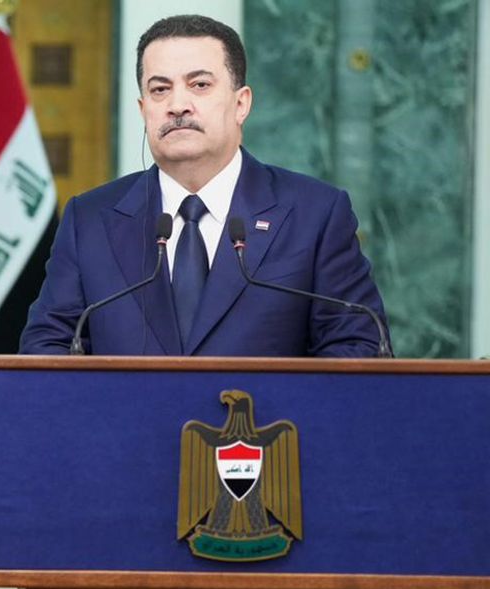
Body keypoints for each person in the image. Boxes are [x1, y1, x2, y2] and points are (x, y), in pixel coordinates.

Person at [19, 15, 388, 357]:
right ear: (143, 109)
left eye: (199, 85)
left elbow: (358, 347)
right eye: (160, 89)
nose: (178, 105)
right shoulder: (90, 220)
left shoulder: (315, 214)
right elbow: (46, 348)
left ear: (241, 104)